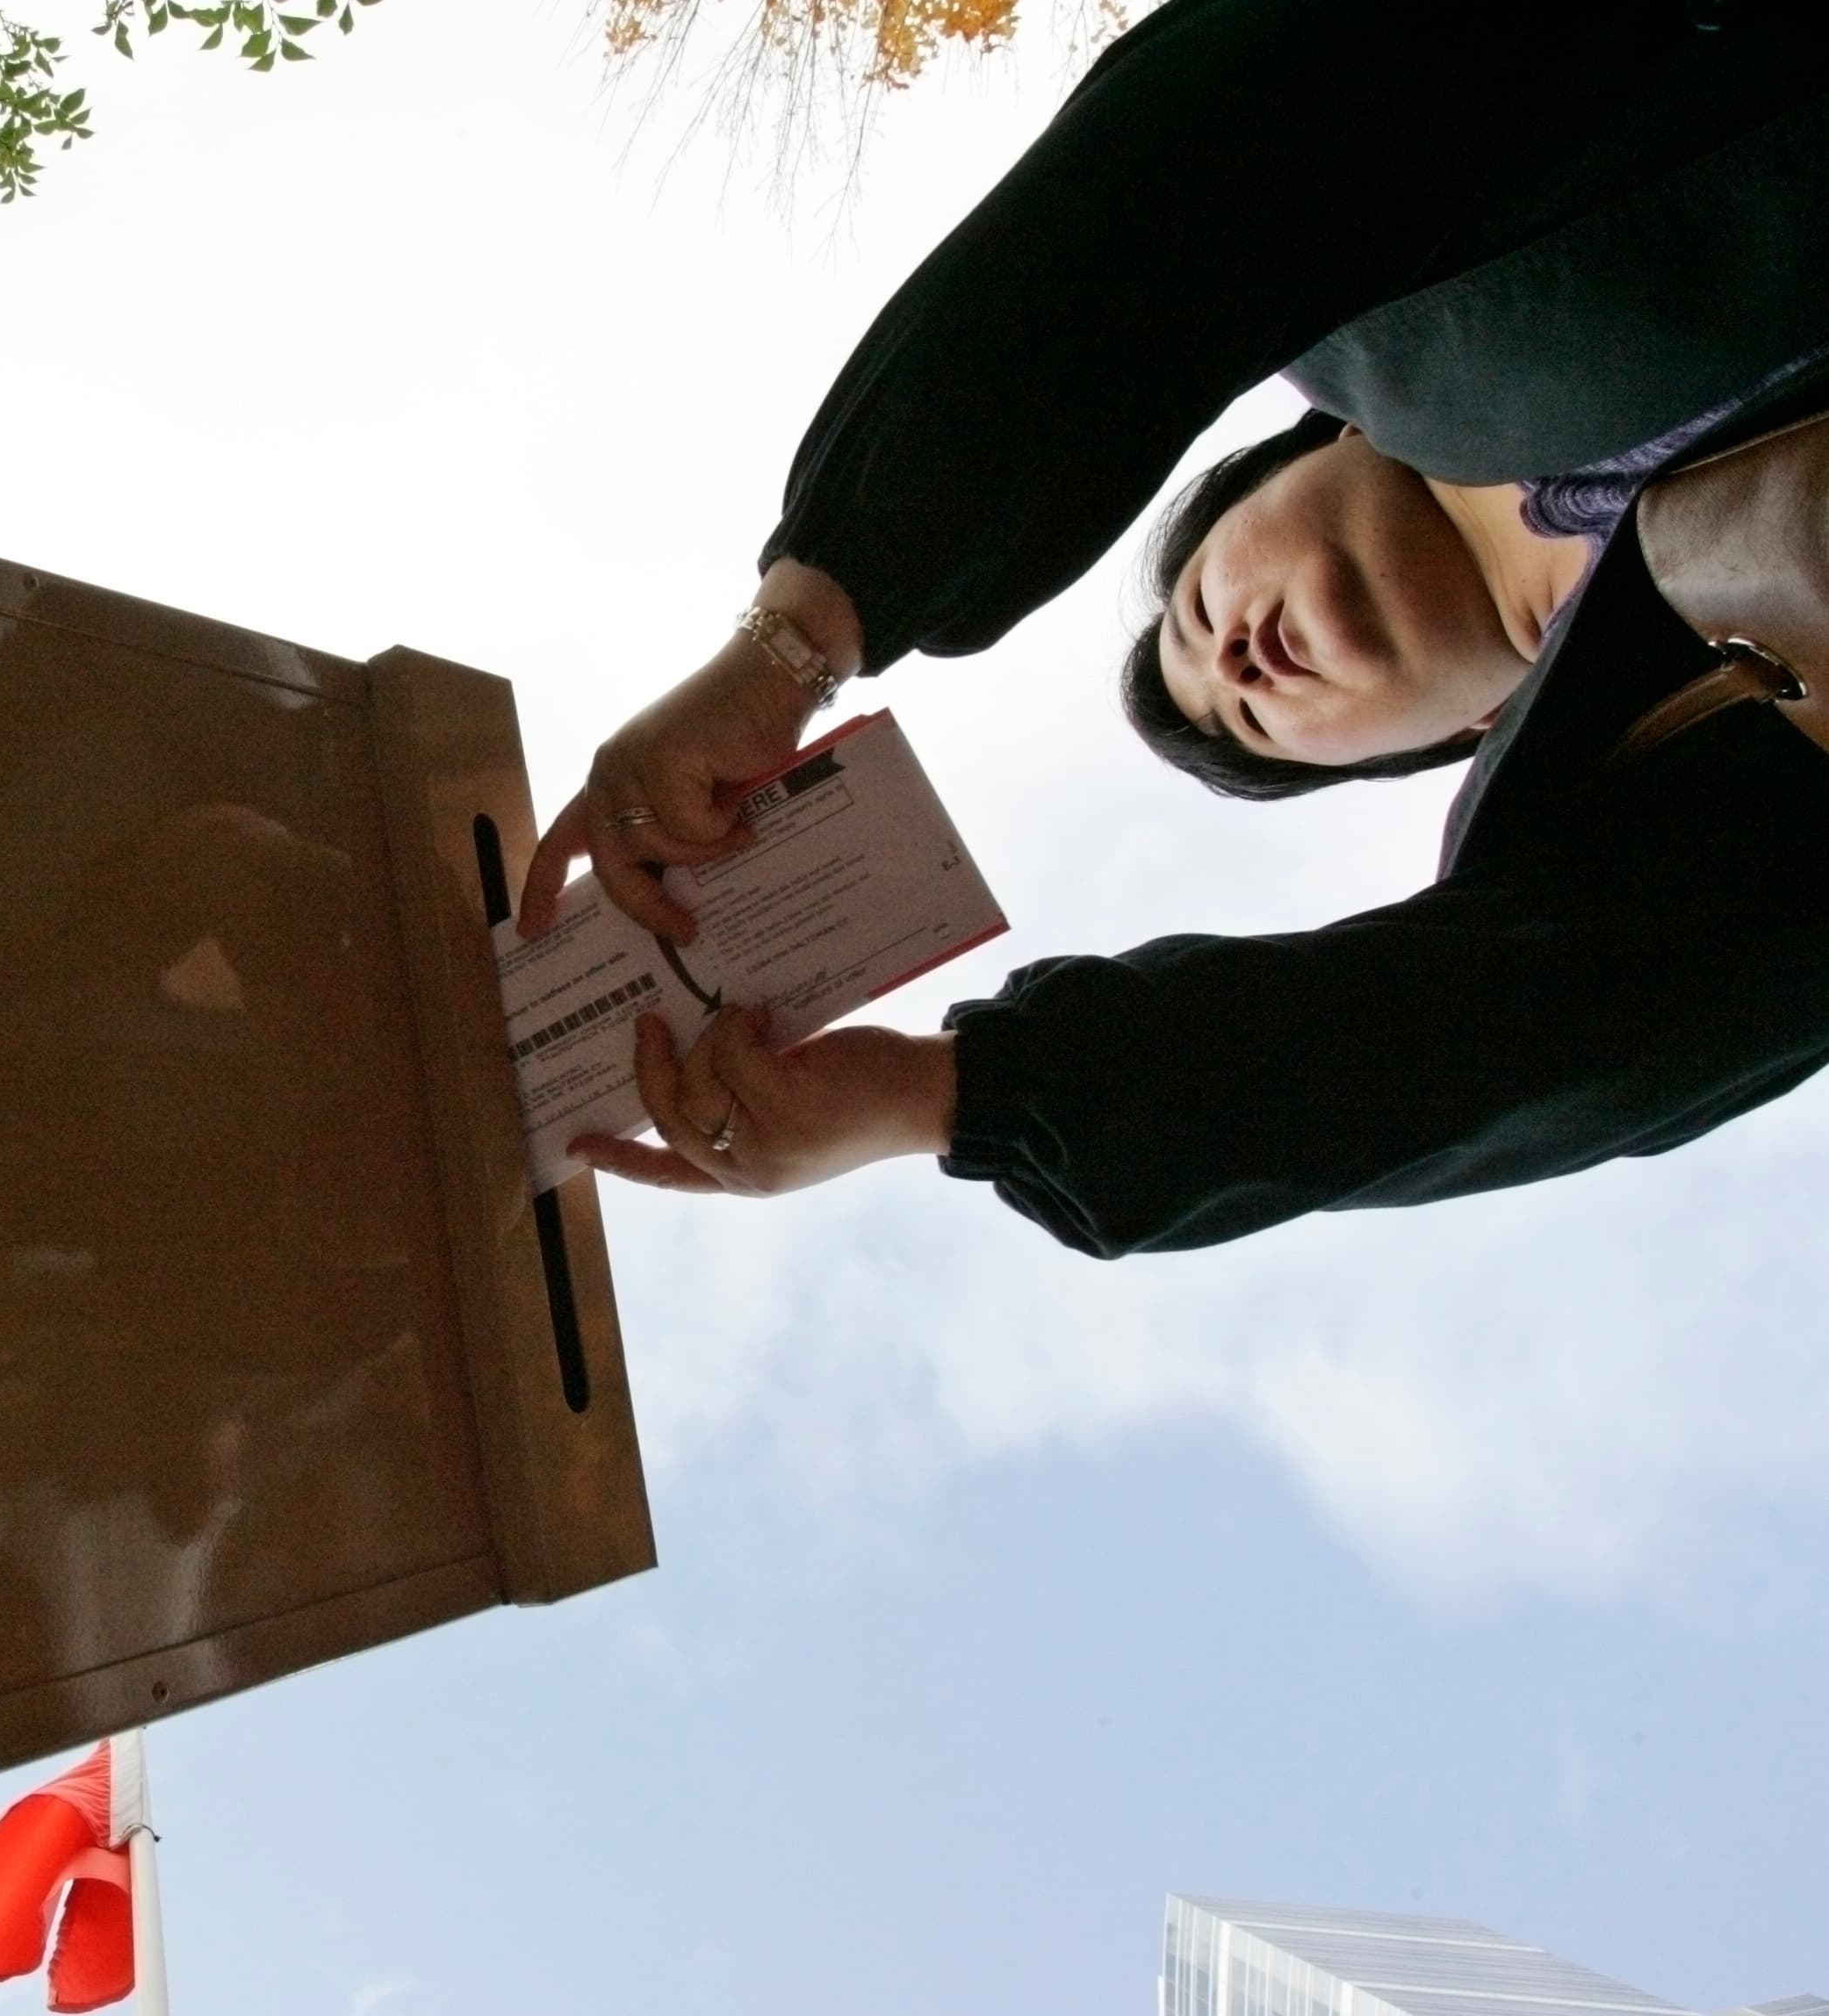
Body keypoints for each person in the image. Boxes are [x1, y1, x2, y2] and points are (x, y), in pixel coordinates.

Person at [520, 0, 1829, 1256]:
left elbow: (1193, 168)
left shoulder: (1412, 286)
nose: (1233, 662)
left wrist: (805, 625)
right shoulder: (1672, 794)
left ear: (1307, 450)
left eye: (1198, 608)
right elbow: (1525, 1039)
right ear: (1467, 728)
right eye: (1254, 722)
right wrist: (946, 1095)